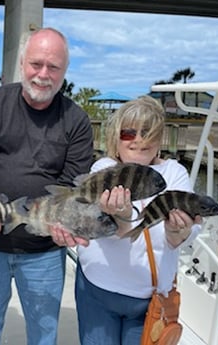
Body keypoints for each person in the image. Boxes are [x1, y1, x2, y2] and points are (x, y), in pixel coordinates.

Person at [0, 27, 94, 345]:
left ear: (64, 72)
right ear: (22, 62)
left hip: (44, 251)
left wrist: (65, 223)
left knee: (43, 333)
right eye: (36, 64)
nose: (43, 74)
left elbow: (71, 185)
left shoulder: (77, 120)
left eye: (54, 67)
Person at [51, 95, 202, 345]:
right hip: (96, 290)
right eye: (129, 133)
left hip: (149, 299)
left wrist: (178, 232)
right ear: (115, 137)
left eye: (148, 132)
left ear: (159, 138)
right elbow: (95, 226)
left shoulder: (174, 173)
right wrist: (120, 218)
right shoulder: (104, 168)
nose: (139, 139)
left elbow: (186, 235)